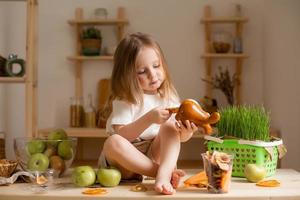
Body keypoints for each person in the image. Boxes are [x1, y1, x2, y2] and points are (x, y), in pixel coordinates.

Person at [98, 32, 198, 195]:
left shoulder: (168, 96)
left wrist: (185, 133)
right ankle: (162, 173)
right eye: (142, 71)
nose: (153, 74)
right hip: (124, 161)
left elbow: (175, 138)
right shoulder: (126, 99)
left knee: (170, 125)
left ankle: (163, 174)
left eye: (156, 66)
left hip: (154, 153)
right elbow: (123, 135)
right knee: (113, 142)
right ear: (126, 76)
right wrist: (149, 118)